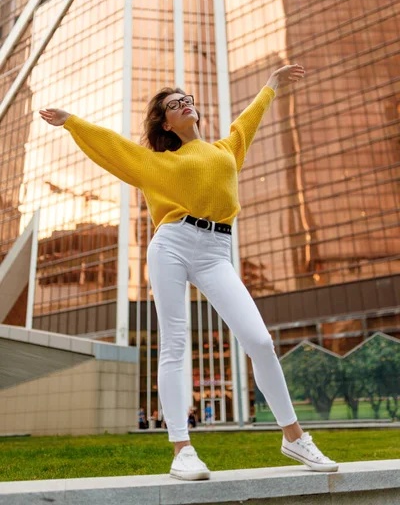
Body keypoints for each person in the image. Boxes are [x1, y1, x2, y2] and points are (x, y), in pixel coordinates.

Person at [39, 63, 338, 481]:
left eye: (188, 100)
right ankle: (182, 448)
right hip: (173, 244)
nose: (185, 105)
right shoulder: (154, 163)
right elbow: (111, 145)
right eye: (175, 104)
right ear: (165, 121)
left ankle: (293, 437)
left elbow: (247, 120)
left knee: (260, 340)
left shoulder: (225, 149)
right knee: (175, 343)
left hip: (217, 250)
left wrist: (270, 85)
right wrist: (71, 121)